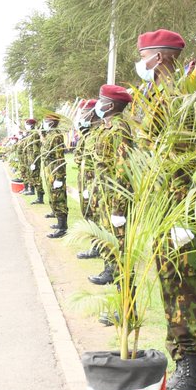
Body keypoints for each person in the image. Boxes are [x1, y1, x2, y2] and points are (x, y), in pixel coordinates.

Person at [134, 28, 196, 390]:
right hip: (165, 204)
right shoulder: (158, 95)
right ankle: (183, 369)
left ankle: (191, 376)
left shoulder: (174, 96)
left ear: (159, 58)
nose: (141, 64)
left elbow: (177, 156)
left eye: (144, 56)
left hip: (176, 204)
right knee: (171, 286)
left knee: (183, 289)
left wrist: (177, 215)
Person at [89, 85, 134, 287]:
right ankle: (109, 272)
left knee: (120, 250)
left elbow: (122, 169)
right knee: (110, 244)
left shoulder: (119, 128)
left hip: (115, 197)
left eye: (101, 100)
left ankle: (126, 310)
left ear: (110, 105)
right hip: (104, 195)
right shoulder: (106, 127)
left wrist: (119, 208)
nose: (98, 104)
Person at [73, 99, 102, 260]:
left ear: (92, 114)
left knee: (96, 217)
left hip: (94, 183)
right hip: (86, 180)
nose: (81, 117)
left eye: (83, 113)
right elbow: (79, 157)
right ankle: (95, 246)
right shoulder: (87, 134)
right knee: (88, 215)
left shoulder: (97, 134)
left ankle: (98, 248)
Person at [43, 112, 69, 239]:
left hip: (55, 169)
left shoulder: (57, 136)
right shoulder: (49, 135)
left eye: (46, 120)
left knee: (59, 198)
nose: (44, 123)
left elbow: (60, 158)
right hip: (49, 169)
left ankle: (63, 227)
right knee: (53, 195)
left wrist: (59, 177)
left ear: (52, 122)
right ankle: (59, 223)